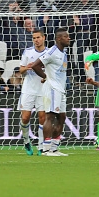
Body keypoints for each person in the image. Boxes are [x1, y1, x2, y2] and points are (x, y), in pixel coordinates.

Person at [30, 28, 71, 157]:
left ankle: (54, 148)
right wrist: (45, 77)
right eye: (65, 36)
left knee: (62, 117)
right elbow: (35, 65)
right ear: (58, 39)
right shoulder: (52, 52)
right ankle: (46, 149)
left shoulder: (63, 52)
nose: (68, 38)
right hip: (52, 88)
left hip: (61, 89)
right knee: (50, 116)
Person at [18, 29, 48, 155]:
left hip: (43, 89)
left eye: (38, 37)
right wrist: (27, 67)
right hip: (28, 89)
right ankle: (26, 141)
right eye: (34, 38)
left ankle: (41, 146)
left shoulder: (49, 53)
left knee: (42, 118)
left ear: (43, 38)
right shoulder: (28, 52)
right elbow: (20, 70)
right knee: (25, 117)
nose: (36, 40)